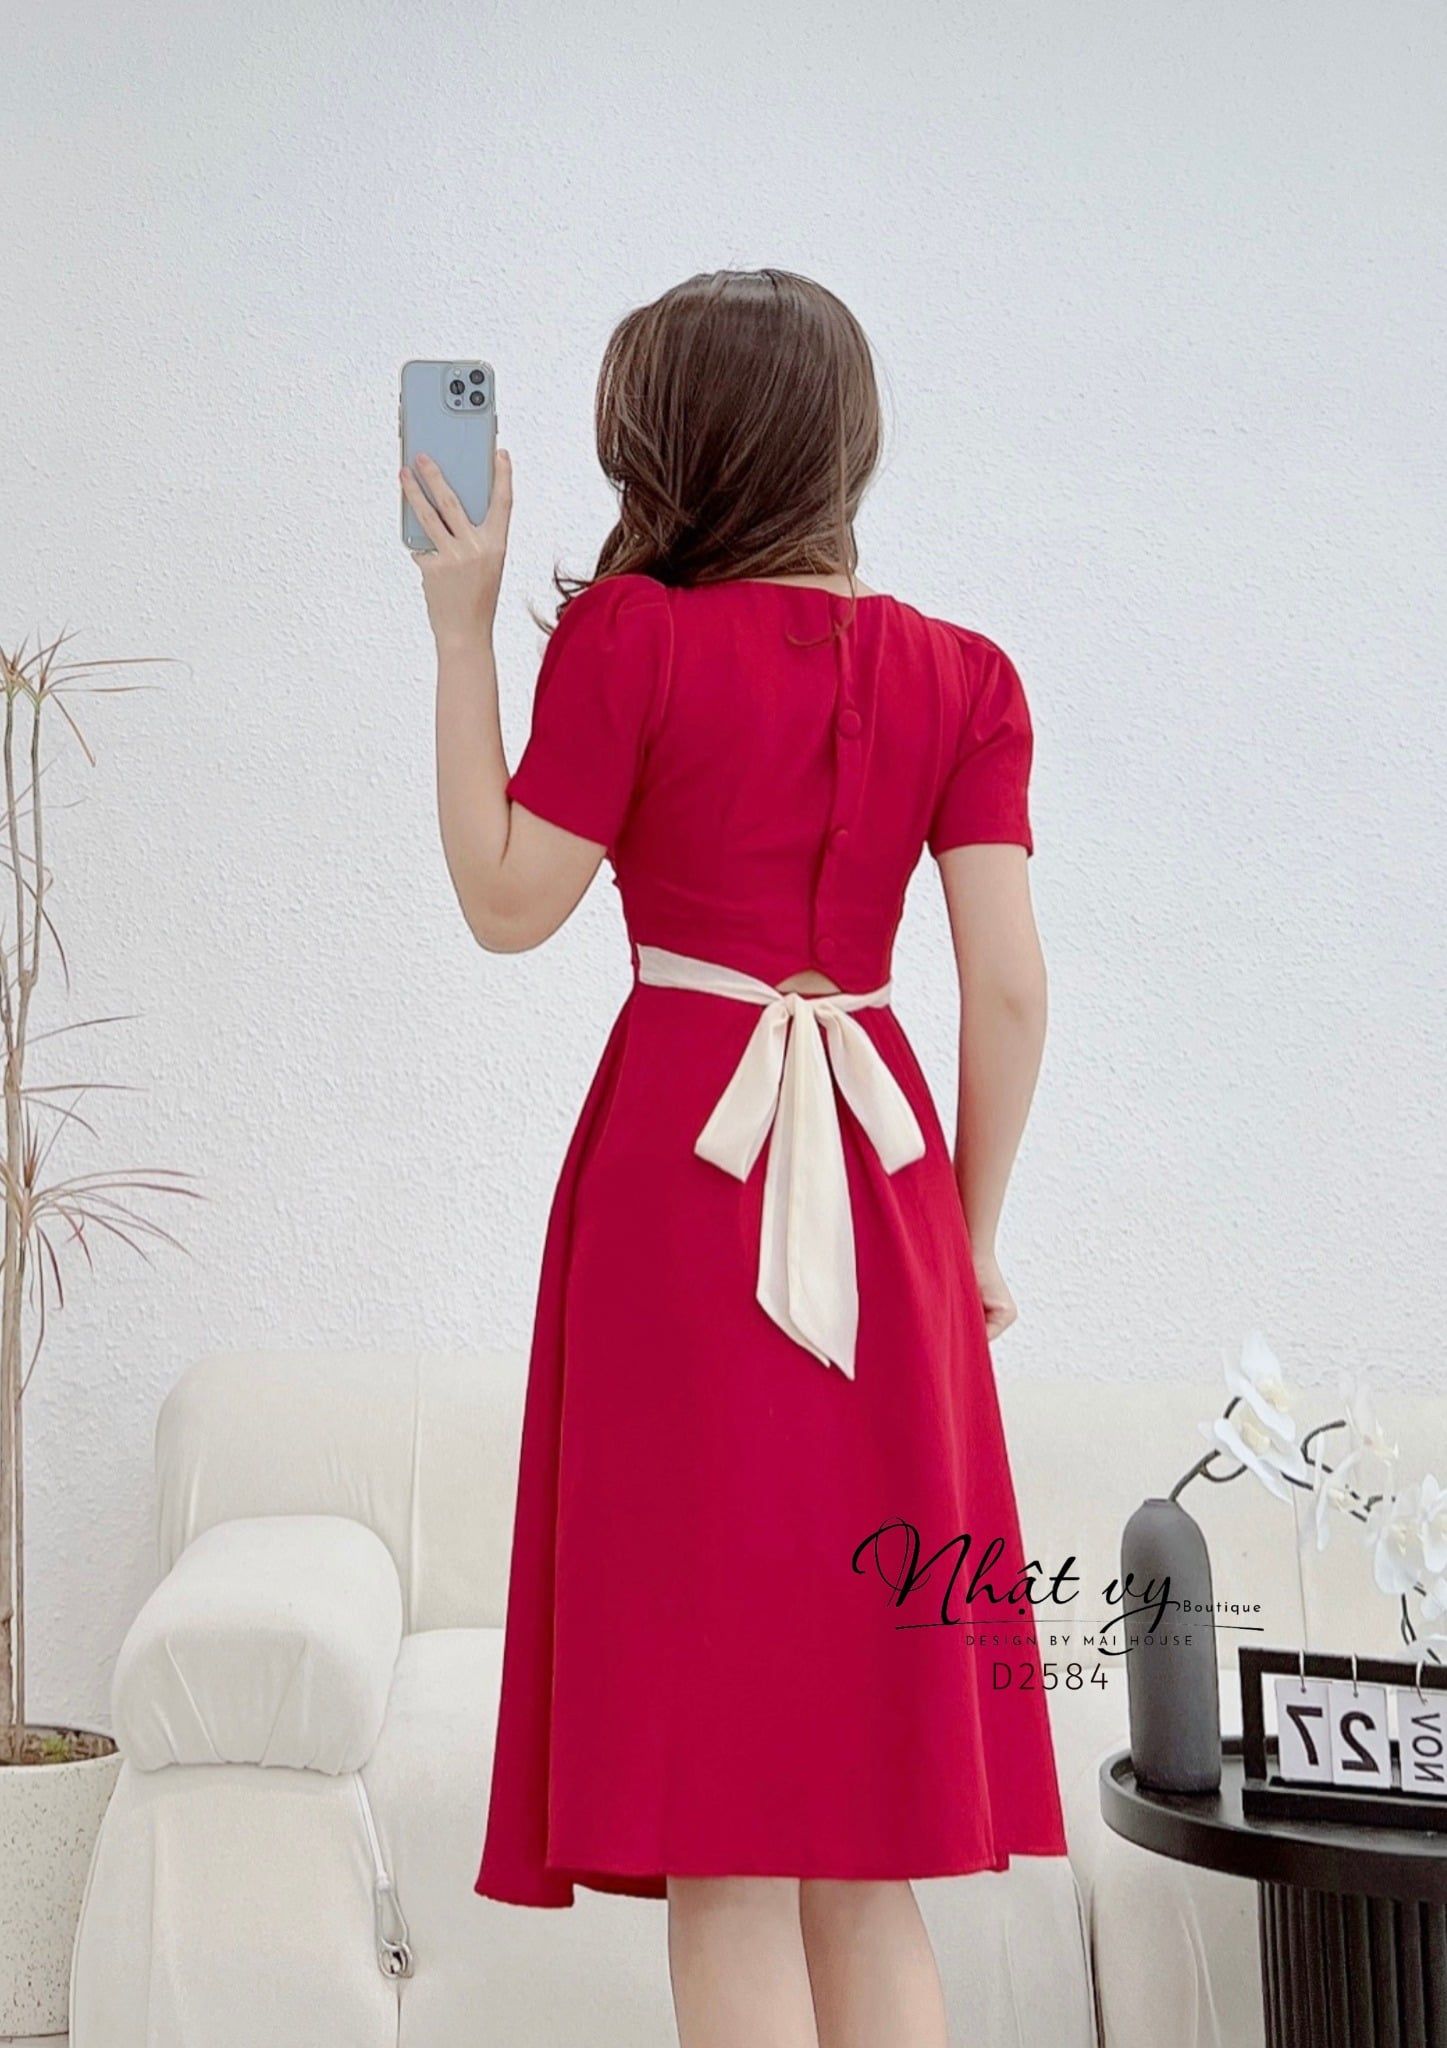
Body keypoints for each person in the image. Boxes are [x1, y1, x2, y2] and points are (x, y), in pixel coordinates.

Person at [404, 267, 1067, 2048]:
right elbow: (1010, 988)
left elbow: (506, 903)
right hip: (887, 1186)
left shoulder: (628, 642)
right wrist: (970, 1231)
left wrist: (462, 635)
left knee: (726, 1839)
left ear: (669, 444)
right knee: (865, 1850)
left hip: (678, 1209)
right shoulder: (966, 677)